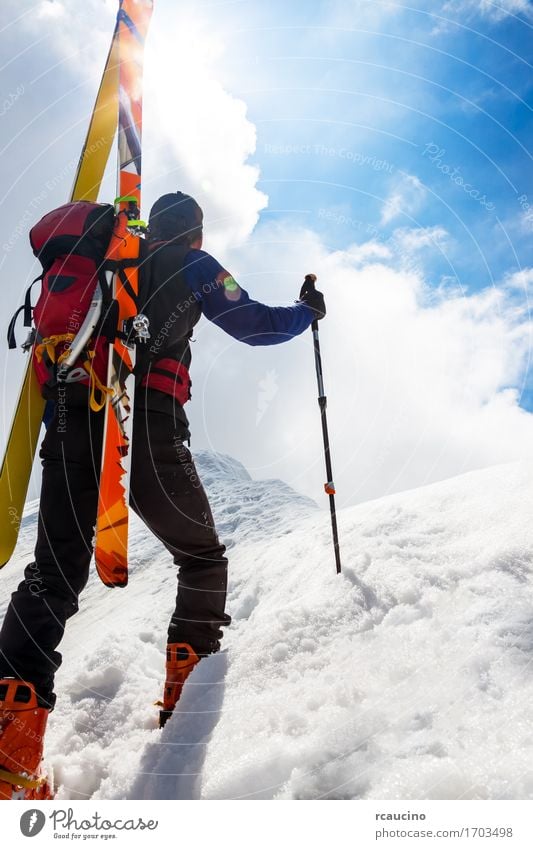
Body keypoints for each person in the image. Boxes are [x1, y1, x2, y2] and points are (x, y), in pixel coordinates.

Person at [0, 191, 326, 797]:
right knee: (202, 555)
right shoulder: (195, 265)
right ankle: (186, 699)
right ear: (195, 235)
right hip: (142, 420)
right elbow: (252, 324)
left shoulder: (110, 261)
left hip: (72, 409)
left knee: (54, 572)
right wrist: (306, 312)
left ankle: (7, 753)